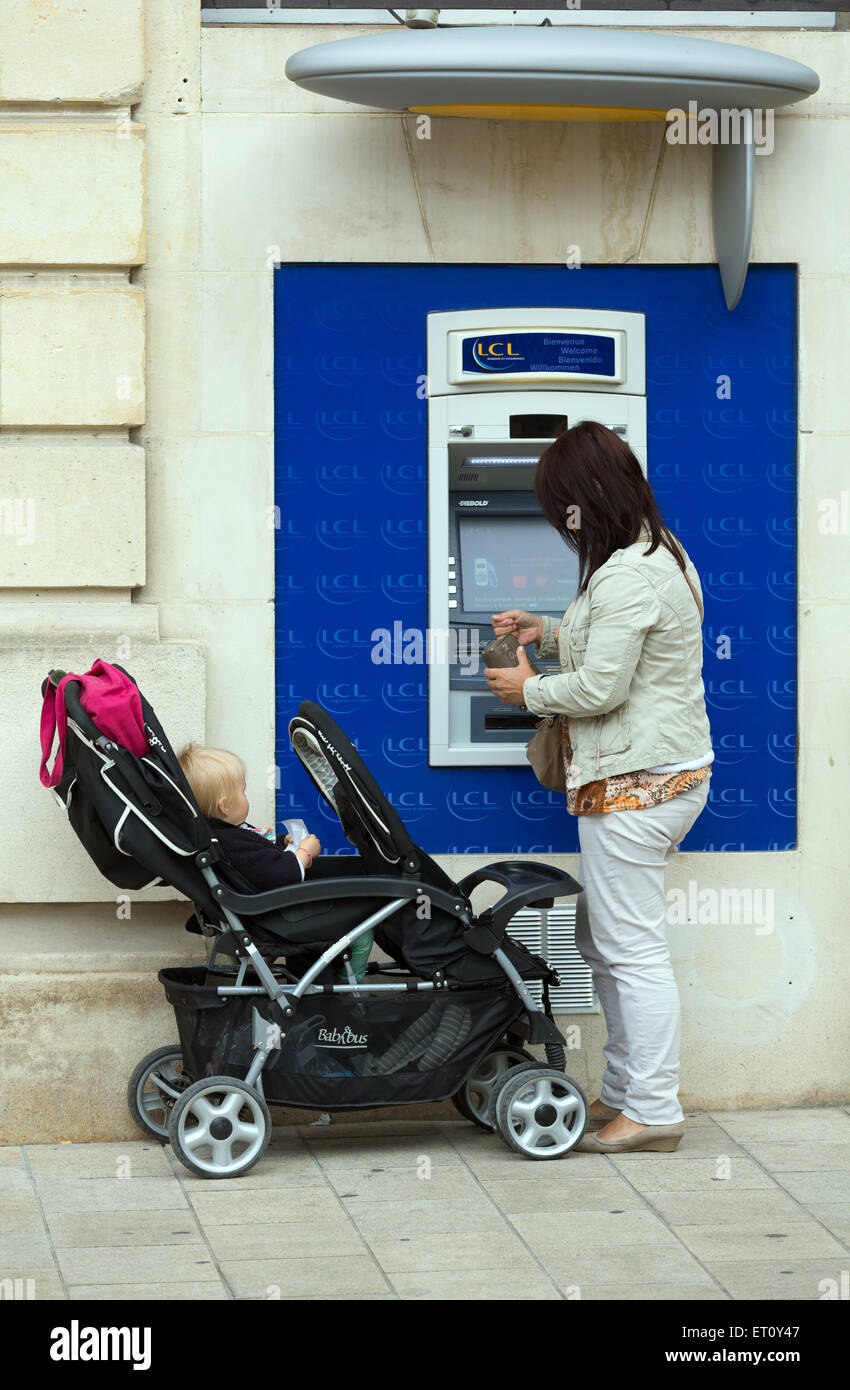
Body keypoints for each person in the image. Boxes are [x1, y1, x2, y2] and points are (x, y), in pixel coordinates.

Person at [484, 419, 713, 1155]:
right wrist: (544, 630)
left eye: (562, 510)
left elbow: (604, 687)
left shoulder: (629, 573)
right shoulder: (653, 555)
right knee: (601, 936)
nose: (560, 525)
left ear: (587, 498)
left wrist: (529, 689)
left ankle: (651, 1109)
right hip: (647, 781)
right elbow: (617, 644)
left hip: (638, 787)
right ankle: (623, 1093)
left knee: (631, 948)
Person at [177, 743, 372, 981]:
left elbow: (259, 855)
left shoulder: (223, 834)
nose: (246, 796)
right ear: (225, 805)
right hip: (279, 919)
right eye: (243, 791)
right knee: (363, 929)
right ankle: (349, 980)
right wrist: (304, 853)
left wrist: (281, 842)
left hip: (272, 915)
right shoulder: (232, 842)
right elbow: (281, 874)